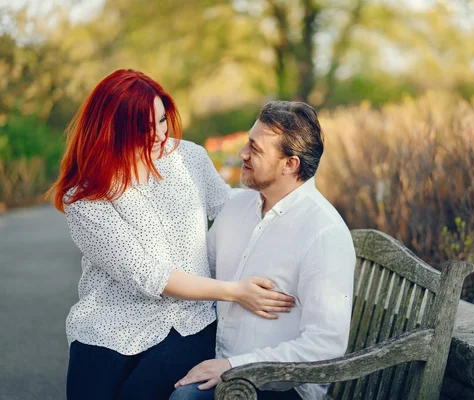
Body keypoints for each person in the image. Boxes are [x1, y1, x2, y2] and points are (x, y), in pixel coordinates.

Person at [50, 69, 295, 400]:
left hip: (187, 321)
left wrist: (289, 195)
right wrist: (234, 291)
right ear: (111, 130)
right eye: (142, 127)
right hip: (108, 326)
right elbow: (151, 276)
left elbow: (226, 207)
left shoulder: (188, 157)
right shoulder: (85, 196)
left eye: (162, 120)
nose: (158, 135)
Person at [170, 101, 356, 400]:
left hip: (280, 385)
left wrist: (234, 367)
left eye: (255, 149)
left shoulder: (324, 233)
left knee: (185, 398)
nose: (242, 153)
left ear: (290, 164)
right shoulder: (237, 206)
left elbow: (325, 344)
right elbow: (203, 273)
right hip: (216, 354)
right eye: (247, 142)